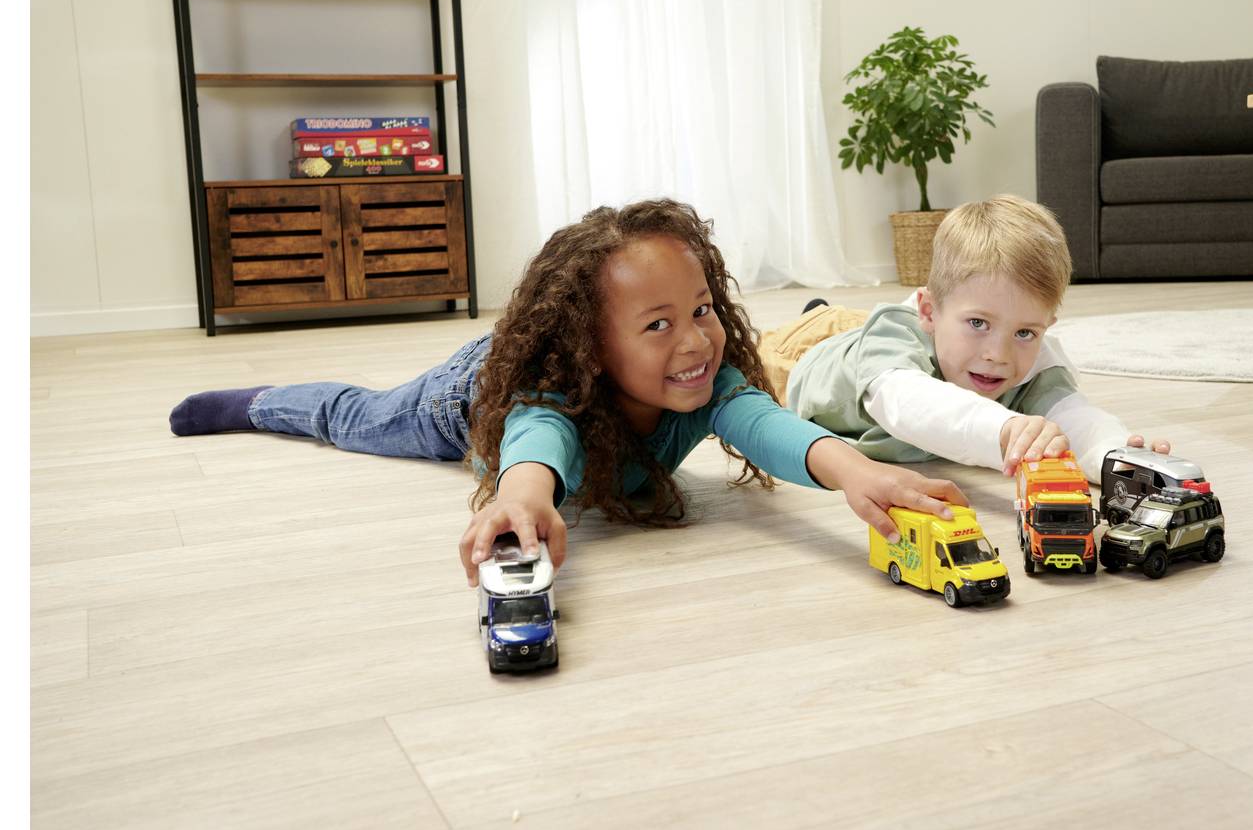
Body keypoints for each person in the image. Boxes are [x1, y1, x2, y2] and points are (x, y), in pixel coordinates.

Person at [169, 198, 966, 584]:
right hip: (473, 392)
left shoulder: (706, 377)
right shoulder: (553, 387)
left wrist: (857, 472)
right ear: (590, 344)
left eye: (701, 310)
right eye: (657, 325)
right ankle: (260, 401)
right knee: (362, 419)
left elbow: (766, 425)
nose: (694, 340)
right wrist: (520, 499)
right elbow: (533, 445)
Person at [759, 194, 1171, 483]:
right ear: (928, 311)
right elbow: (908, 403)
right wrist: (1006, 429)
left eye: (1025, 332)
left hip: (892, 331)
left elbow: (1072, 415)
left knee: (859, 322)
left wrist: (1117, 457)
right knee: (759, 358)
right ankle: (816, 310)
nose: (998, 355)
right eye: (978, 323)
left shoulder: (1032, 362)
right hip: (805, 355)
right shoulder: (895, 343)